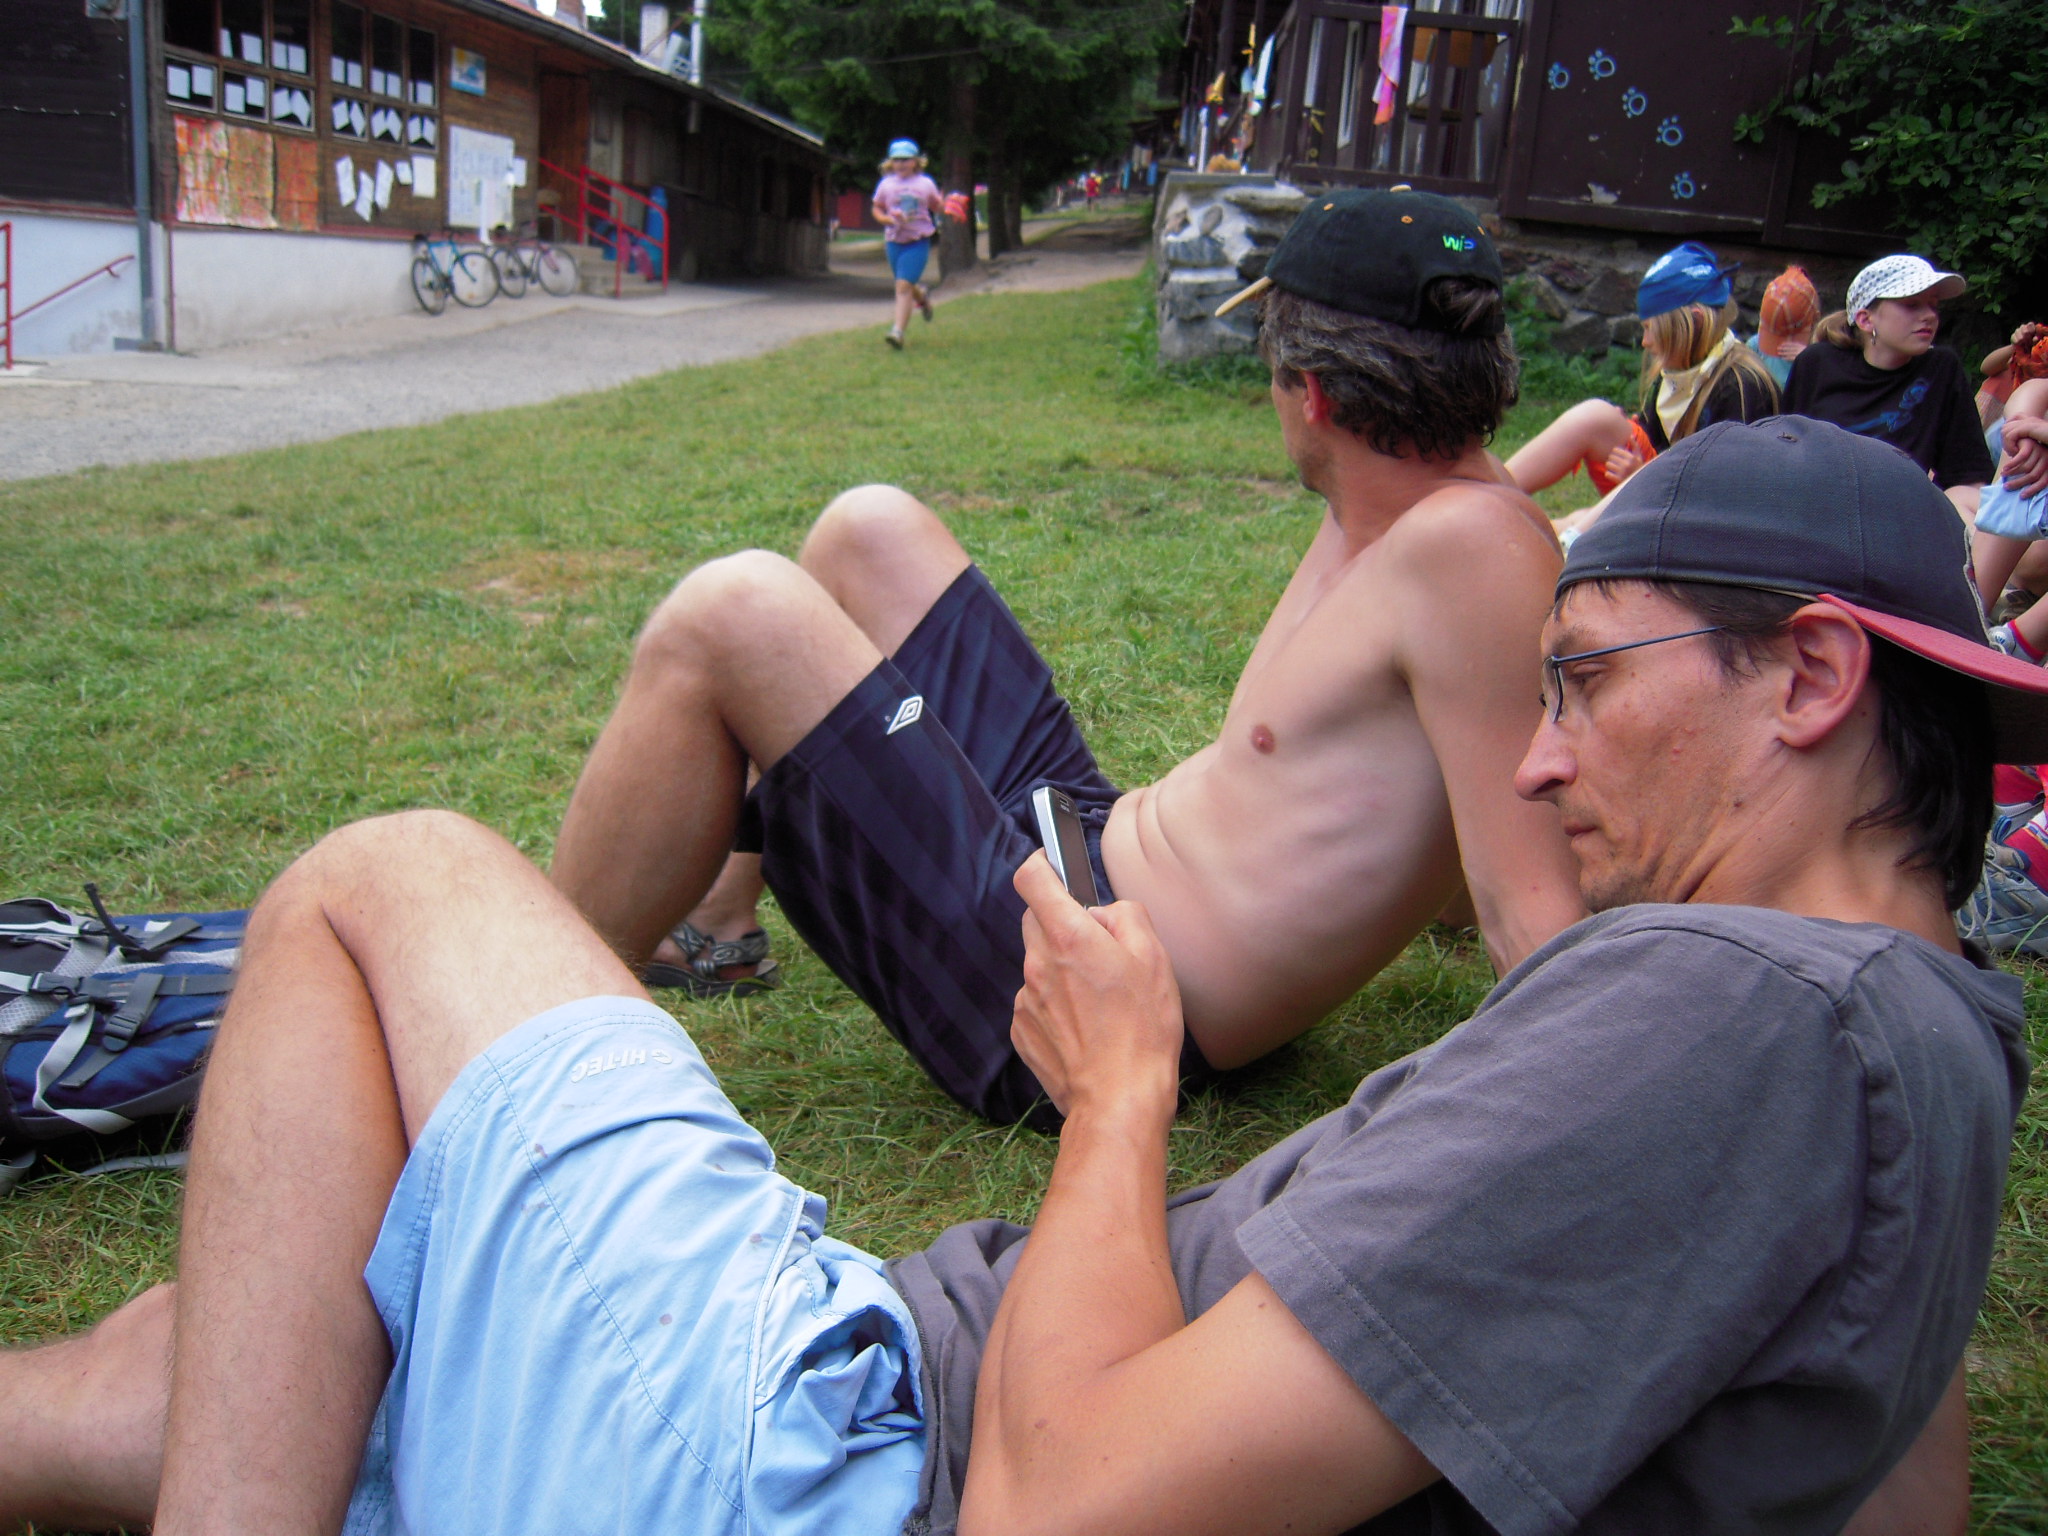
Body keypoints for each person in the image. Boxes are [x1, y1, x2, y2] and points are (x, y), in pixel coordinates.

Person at [1, 417, 2030, 1536]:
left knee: (388, 880)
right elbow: (1885, 1465)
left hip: (853, 1453)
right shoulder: (1923, 1058)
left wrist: (1118, 1087)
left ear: (1810, 679)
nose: (1532, 755)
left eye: (1580, 680)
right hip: (852, 1408)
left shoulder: (1740, 1016)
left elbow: (1054, 1508)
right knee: (287, 1319)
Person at [546, 189, 1588, 1126]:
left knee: (730, 611)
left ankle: (527, 1025)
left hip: (1086, 995)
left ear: (1310, 393)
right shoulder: (1406, 501)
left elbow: (1527, 911)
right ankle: (721, 927)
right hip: (1080, 838)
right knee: (870, 530)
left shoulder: (1471, 555)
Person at [1504, 241, 1779, 527]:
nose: (1645, 342)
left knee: (1577, 520)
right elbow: (1653, 437)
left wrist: (1643, 475)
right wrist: (1636, 452)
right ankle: (1492, 491)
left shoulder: (1742, 386)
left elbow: (1722, 493)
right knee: (1596, 416)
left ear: (1694, 324)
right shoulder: (1680, 367)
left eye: (1650, 329)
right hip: (1659, 486)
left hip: (1701, 518)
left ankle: (1561, 535)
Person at [1783, 253, 1992, 516]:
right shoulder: (1817, 363)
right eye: (1912, 305)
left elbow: (1968, 475)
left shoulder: (1940, 369)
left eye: (1934, 305)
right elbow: (1783, 450)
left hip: (1900, 519)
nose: (1929, 316)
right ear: (1865, 319)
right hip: (1815, 511)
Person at [871, 138, 943, 351]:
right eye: (896, 160)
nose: (900, 164)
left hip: (917, 241)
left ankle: (898, 332)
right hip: (894, 242)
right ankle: (922, 297)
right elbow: (877, 208)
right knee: (907, 285)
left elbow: (937, 205)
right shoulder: (886, 184)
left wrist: (949, 204)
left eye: (905, 159)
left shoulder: (925, 183)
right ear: (890, 162)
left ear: (915, 161)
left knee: (902, 286)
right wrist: (886, 219)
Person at [1748, 263, 1820, 387]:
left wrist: (1812, 360)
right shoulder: (1755, 346)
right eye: (1775, 333)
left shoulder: (1825, 355)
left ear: (1815, 319)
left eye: (1789, 335)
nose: (1781, 344)